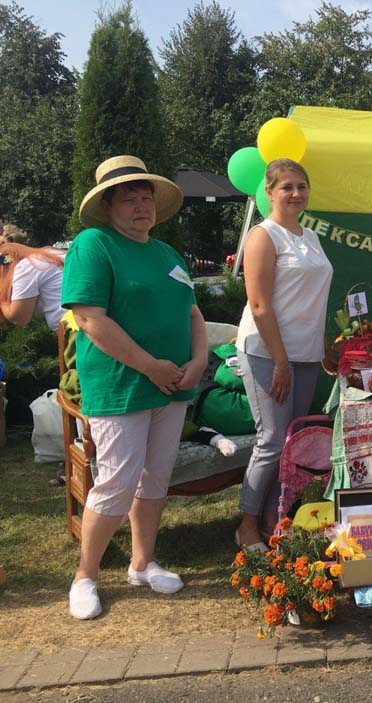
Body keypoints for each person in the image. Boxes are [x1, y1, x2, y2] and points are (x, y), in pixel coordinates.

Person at [61, 155, 207, 620]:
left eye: (147, 196)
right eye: (130, 197)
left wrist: (199, 360)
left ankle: (142, 563)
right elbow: (88, 319)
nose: (141, 204)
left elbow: (192, 314)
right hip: (122, 385)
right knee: (117, 482)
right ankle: (86, 574)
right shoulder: (94, 245)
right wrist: (150, 366)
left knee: (156, 476)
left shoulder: (166, 254)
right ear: (108, 206)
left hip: (173, 386)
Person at [234, 158, 333, 552]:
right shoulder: (263, 236)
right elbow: (259, 305)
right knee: (273, 439)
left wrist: (324, 348)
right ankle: (245, 524)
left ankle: (275, 519)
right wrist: (279, 361)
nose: (296, 193)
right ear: (269, 193)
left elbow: (313, 300)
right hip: (266, 351)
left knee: (291, 441)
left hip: (305, 353)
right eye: (287, 187)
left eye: (302, 186)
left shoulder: (311, 237)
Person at [0, 242, 67, 330]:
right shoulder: (50, 253)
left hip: (76, 328)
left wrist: (3, 302)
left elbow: (19, 317)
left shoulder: (25, 267)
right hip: (85, 315)